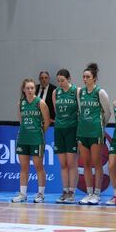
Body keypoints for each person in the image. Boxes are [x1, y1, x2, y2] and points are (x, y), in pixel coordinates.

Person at [76, 63, 112, 205]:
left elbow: (108, 112)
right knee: (86, 164)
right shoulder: (81, 92)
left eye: (88, 77)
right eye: (84, 77)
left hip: (96, 132)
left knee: (97, 163)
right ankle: (89, 193)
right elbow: (80, 110)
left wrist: (101, 126)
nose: (85, 79)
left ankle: (97, 193)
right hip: (82, 132)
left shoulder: (100, 92)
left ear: (94, 78)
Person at [12, 78, 51, 203]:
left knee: (38, 166)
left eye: (32, 88)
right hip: (23, 138)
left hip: (36, 139)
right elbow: (21, 121)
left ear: (35, 89)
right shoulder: (20, 104)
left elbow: (47, 121)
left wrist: (39, 133)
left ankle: (40, 194)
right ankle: (23, 194)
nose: (30, 90)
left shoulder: (41, 103)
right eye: (27, 88)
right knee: (24, 167)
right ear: (23, 89)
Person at [52, 69, 79, 204]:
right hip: (59, 129)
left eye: (63, 80)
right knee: (63, 164)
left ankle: (72, 192)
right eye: (59, 81)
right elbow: (56, 112)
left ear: (69, 78)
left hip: (72, 129)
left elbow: (79, 110)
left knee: (71, 163)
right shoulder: (56, 92)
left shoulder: (76, 91)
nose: (60, 83)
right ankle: (64, 190)